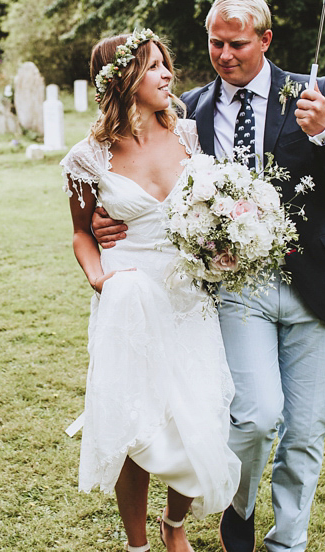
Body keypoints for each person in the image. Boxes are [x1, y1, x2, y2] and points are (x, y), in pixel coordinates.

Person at [93, 0, 325, 552]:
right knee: (252, 416)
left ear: (265, 40)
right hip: (236, 287)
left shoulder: (311, 93)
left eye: (237, 43)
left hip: (317, 284)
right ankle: (240, 509)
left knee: (306, 430)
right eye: (215, 42)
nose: (224, 54)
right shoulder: (188, 110)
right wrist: (108, 216)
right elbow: (141, 168)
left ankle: (287, 543)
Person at [62, 29, 240, 552]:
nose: (168, 75)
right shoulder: (88, 157)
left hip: (188, 294)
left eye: (167, 64)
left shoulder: (186, 134)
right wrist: (100, 278)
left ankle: (175, 523)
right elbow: (80, 232)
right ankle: (138, 545)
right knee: (133, 420)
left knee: (196, 410)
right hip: (130, 297)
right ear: (123, 79)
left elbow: (207, 207)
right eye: (154, 66)